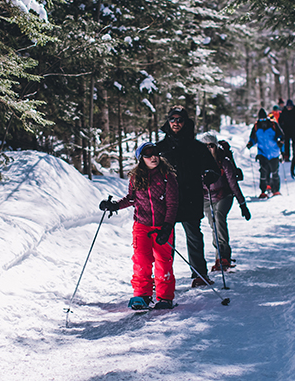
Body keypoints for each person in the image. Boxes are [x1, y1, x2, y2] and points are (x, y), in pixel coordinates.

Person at [99, 142, 179, 310]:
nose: (153, 157)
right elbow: (131, 198)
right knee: (141, 261)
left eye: (155, 153)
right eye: (148, 155)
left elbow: (172, 204)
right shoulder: (136, 177)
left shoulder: (167, 176)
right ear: (141, 159)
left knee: (163, 262)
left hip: (162, 226)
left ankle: (165, 297)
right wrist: (114, 205)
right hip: (141, 225)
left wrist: (167, 226)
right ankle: (142, 295)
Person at [155, 105, 219, 288]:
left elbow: (213, 169)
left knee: (194, 236)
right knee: (166, 239)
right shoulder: (160, 148)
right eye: (172, 119)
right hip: (167, 200)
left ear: (186, 122)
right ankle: (163, 276)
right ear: (168, 121)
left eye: (180, 119)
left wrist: (209, 175)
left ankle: (199, 274)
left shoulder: (197, 147)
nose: (176, 123)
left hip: (191, 196)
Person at [201, 134, 250, 272]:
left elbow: (233, 184)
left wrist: (242, 204)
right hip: (206, 197)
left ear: (216, 147)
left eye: (211, 145)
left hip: (224, 196)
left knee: (219, 218)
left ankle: (224, 257)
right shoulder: (197, 162)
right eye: (205, 146)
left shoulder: (224, 162)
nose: (208, 148)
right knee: (213, 225)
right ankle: (220, 256)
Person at [246, 108, 285, 199]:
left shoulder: (273, 124)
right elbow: (253, 138)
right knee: (263, 172)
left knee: (274, 172)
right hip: (262, 153)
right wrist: (250, 143)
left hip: (274, 152)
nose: (262, 120)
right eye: (261, 119)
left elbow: (281, 136)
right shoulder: (256, 127)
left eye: (264, 118)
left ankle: (276, 190)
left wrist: (280, 142)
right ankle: (263, 191)